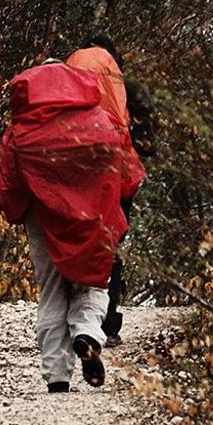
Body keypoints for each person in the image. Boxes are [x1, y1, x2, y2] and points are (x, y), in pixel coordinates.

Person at [0, 59, 129, 393]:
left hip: (42, 215)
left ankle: (57, 376)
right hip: (93, 215)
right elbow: (125, 170)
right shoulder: (100, 120)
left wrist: (18, 209)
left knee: (52, 289)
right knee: (93, 281)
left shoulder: (23, 129)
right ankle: (87, 334)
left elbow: (7, 183)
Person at [65, 36, 150, 346]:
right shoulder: (127, 88)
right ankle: (107, 323)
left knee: (73, 238)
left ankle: (69, 320)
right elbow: (148, 140)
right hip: (118, 172)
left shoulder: (68, 77)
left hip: (73, 166)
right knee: (111, 244)